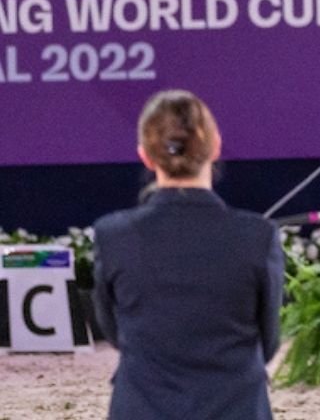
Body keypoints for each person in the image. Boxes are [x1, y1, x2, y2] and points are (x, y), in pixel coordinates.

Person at [92, 90, 283, 420]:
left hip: (142, 407)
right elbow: (269, 338)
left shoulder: (113, 236)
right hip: (235, 407)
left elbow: (112, 329)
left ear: (146, 157)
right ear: (216, 147)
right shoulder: (258, 236)